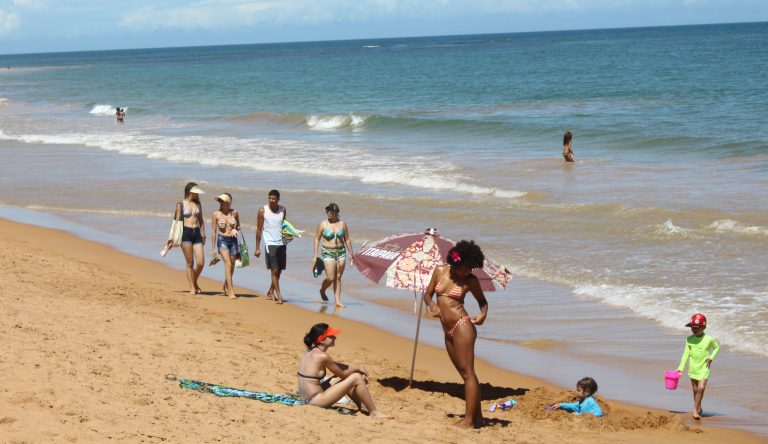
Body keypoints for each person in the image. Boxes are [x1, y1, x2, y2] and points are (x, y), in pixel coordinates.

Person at [423, 240, 488, 428]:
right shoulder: (439, 271)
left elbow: (483, 302)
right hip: (447, 329)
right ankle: (478, 417)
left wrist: (483, 315)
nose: (466, 272)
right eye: (464, 268)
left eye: (470, 269)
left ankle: (469, 420)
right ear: (455, 262)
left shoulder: (471, 281)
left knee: (468, 373)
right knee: (463, 373)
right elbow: (427, 295)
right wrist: (432, 305)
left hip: (462, 326)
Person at [296, 323, 389, 418]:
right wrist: (357, 369)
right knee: (355, 377)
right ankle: (374, 412)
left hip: (306, 398)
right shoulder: (323, 356)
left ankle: (363, 407)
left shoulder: (310, 351)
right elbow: (343, 375)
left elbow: (336, 366)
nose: (335, 338)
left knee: (350, 375)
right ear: (322, 340)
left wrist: (356, 370)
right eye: (331, 336)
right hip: (315, 400)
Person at [163, 182, 206, 294]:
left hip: (196, 233)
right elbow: (176, 222)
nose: (197, 195)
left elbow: (201, 220)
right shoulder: (180, 204)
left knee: (201, 262)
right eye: (196, 193)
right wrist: (172, 237)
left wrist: (203, 233)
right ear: (190, 192)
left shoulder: (198, 204)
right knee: (190, 262)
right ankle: (192, 287)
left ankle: (194, 281)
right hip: (185, 233)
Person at [676, 313, 720, 420]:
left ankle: (695, 409)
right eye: (692, 327)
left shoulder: (708, 339)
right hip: (693, 368)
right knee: (695, 390)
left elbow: (716, 347)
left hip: (704, 367)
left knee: (701, 387)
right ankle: (699, 408)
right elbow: (685, 354)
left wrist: (711, 358)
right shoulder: (689, 339)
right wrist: (680, 368)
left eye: (697, 327)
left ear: (704, 327)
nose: (694, 330)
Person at [313, 203, 355, 307]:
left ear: (336, 213)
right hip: (328, 252)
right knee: (331, 278)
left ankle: (337, 301)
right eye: (327, 211)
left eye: (331, 211)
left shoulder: (342, 224)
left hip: (341, 252)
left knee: (338, 277)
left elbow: (347, 239)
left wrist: (351, 254)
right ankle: (323, 290)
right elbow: (317, 239)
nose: (328, 213)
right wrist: (315, 254)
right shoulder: (323, 224)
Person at [255, 189, 287, 304]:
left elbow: (284, 226)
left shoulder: (282, 210)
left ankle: (270, 291)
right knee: (274, 270)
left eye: (274, 199)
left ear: (278, 199)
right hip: (270, 243)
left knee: (279, 270)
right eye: (270, 198)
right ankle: (279, 295)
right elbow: (259, 229)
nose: (271, 200)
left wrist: (291, 234)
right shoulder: (262, 211)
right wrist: (257, 247)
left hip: (282, 243)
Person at [211, 193, 240, 299]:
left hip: (233, 241)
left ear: (228, 202)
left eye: (222, 201)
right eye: (219, 201)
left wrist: (235, 229)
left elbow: (239, 226)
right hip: (222, 240)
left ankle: (226, 284)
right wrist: (213, 248)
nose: (220, 203)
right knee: (228, 264)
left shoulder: (235, 212)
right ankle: (231, 291)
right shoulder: (216, 214)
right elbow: (214, 232)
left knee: (232, 266)